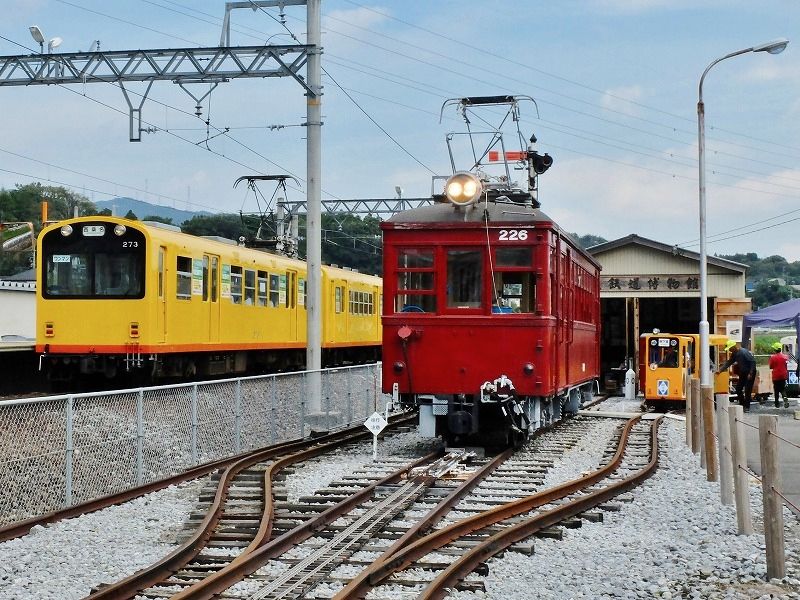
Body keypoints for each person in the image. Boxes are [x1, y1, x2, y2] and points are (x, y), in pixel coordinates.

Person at [717, 340, 757, 412]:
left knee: (748, 390)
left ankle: (747, 407)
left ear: (734, 347)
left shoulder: (743, 352)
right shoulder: (734, 354)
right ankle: (742, 404)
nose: (729, 350)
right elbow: (729, 362)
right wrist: (720, 370)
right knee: (738, 389)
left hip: (750, 372)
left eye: (730, 348)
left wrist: (750, 373)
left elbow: (752, 362)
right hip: (743, 373)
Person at [768, 341, 790, 409]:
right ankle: (785, 397)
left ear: (775, 349)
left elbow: (770, 366)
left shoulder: (773, 357)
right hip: (783, 375)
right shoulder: (785, 357)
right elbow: (786, 365)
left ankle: (777, 404)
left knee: (776, 389)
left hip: (776, 376)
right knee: (782, 388)